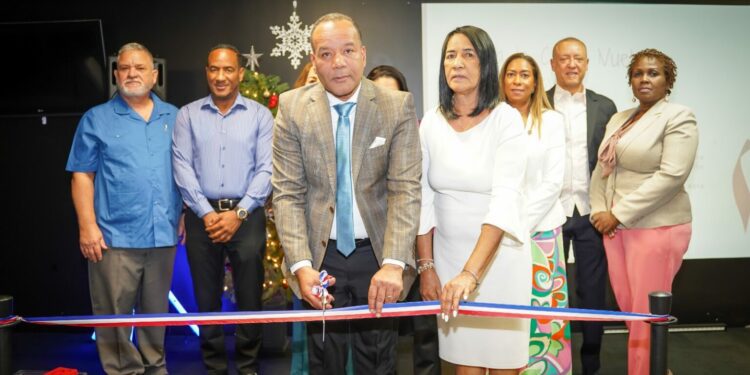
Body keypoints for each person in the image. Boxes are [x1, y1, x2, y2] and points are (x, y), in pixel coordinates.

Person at [272, 13, 421, 375]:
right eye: (325, 54)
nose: (338, 63)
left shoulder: (395, 105)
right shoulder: (292, 107)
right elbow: (288, 193)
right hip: (321, 260)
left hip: (378, 258)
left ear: (363, 54)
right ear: (313, 61)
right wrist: (301, 265)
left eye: (348, 51)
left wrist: (394, 263)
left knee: (378, 362)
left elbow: (405, 189)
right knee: (325, 363)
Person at [417, 25, 530, 374]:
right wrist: (427, 266)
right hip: (449, 264)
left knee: (503, 365)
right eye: (451, 55)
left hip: (499, 263)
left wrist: (471, 272)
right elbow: (421, 199)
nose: (458, 63)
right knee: (463, 366)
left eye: (468, 54)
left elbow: (505, 200)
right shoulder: (431, 122)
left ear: (485, 65)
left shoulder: (506, 119)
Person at [66, 42, 181, 375]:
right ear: (116, 74)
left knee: (155, 316)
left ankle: (154, 368)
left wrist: (184, 213)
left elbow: (184, 170)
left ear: (154, 74)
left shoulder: (174, 116)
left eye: (140, 67)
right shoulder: (96, 118)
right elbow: (82, 175)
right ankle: (122, 372)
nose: (132, 73)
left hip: (163, 234)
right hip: (113, 237)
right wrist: (87, 226)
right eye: (125, 68)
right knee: (113, 317)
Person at [590, 48, 697, 375]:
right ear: (630, 80)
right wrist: (599, 211)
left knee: (643, 314)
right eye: (638, 74)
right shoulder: (620, 118)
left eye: (653, 73)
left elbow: (672, 175)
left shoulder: (679, 116)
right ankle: (655, 369)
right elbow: (601, 169)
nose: (644, 79)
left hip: (656, 229)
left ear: (668, 81)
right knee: (631, 311)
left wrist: (618, 213)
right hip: (615, 228)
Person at [172, 44, 273, 375]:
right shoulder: (187, 115)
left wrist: (238, 213)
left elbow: (267, 169)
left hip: (247, 215)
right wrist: (205, 213)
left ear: (240, 73)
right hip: (202, 218)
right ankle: (213, 366)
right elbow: (182, 167)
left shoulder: (260, 115)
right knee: (206, 298)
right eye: (214, 69)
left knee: (249, 297)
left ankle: (247, 366)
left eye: (228, 69)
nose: (220, 76)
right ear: (206, 72)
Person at [546, 37, 617, 375]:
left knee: (591, 294)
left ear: (587, 64)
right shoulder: (536, 102)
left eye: (578, 58)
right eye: (564, 58)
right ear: (553, 64)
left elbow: (614, 163)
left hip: (591, 213)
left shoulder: (606, 106)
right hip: (548, 214)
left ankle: (591, 366)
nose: (571, 64)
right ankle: (549, 361)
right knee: (548, 293)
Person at [501, 53, 572, 374]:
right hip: (497, 233)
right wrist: (503, 224)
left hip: (540, 231)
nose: (517, 81)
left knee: (544, 315)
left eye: (525, 75)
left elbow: (553, 181)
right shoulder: (491, 119)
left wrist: (517, 224)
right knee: (505, 314)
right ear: (501, 80)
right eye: (511, 74)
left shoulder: (552, 121)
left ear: (535, 82)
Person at [367, 64, 441, 375]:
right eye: (379, 93)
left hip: (419, 244)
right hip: (376, 249)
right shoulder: (356, 138)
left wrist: (426, 262)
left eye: (394, 93)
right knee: (382, 338)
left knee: (426, 331)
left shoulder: (421, 131)